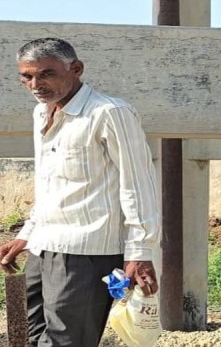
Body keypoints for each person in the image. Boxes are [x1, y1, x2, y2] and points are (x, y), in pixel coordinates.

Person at [0, 38, 161, 345]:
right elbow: (50, 183)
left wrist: (140, 251)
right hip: (43, 246)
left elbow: (138, 184)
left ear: (75, 69)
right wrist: (28, 232)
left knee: (67, 342)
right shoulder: (41, 113)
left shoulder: (110, 113)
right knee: (32, 338)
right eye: (27, 76)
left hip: (86, 252)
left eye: (46, 74)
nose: (35, 84)